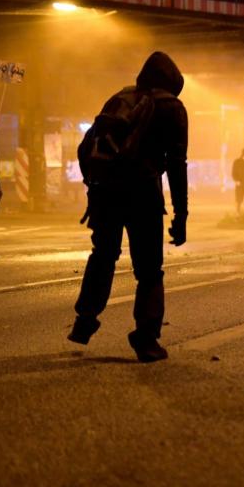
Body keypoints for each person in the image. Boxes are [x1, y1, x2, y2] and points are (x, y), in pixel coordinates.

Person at [67, 52, 189, 362]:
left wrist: (94, 188)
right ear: (173, 81)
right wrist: (181, 214)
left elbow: (88, 146)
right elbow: (176, 164)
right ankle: (146, 339)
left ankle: (85, 320)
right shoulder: (171, 107)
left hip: (105, 193)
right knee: (149, 270)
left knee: (103, 255)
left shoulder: (121, 98)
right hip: (143, 194)